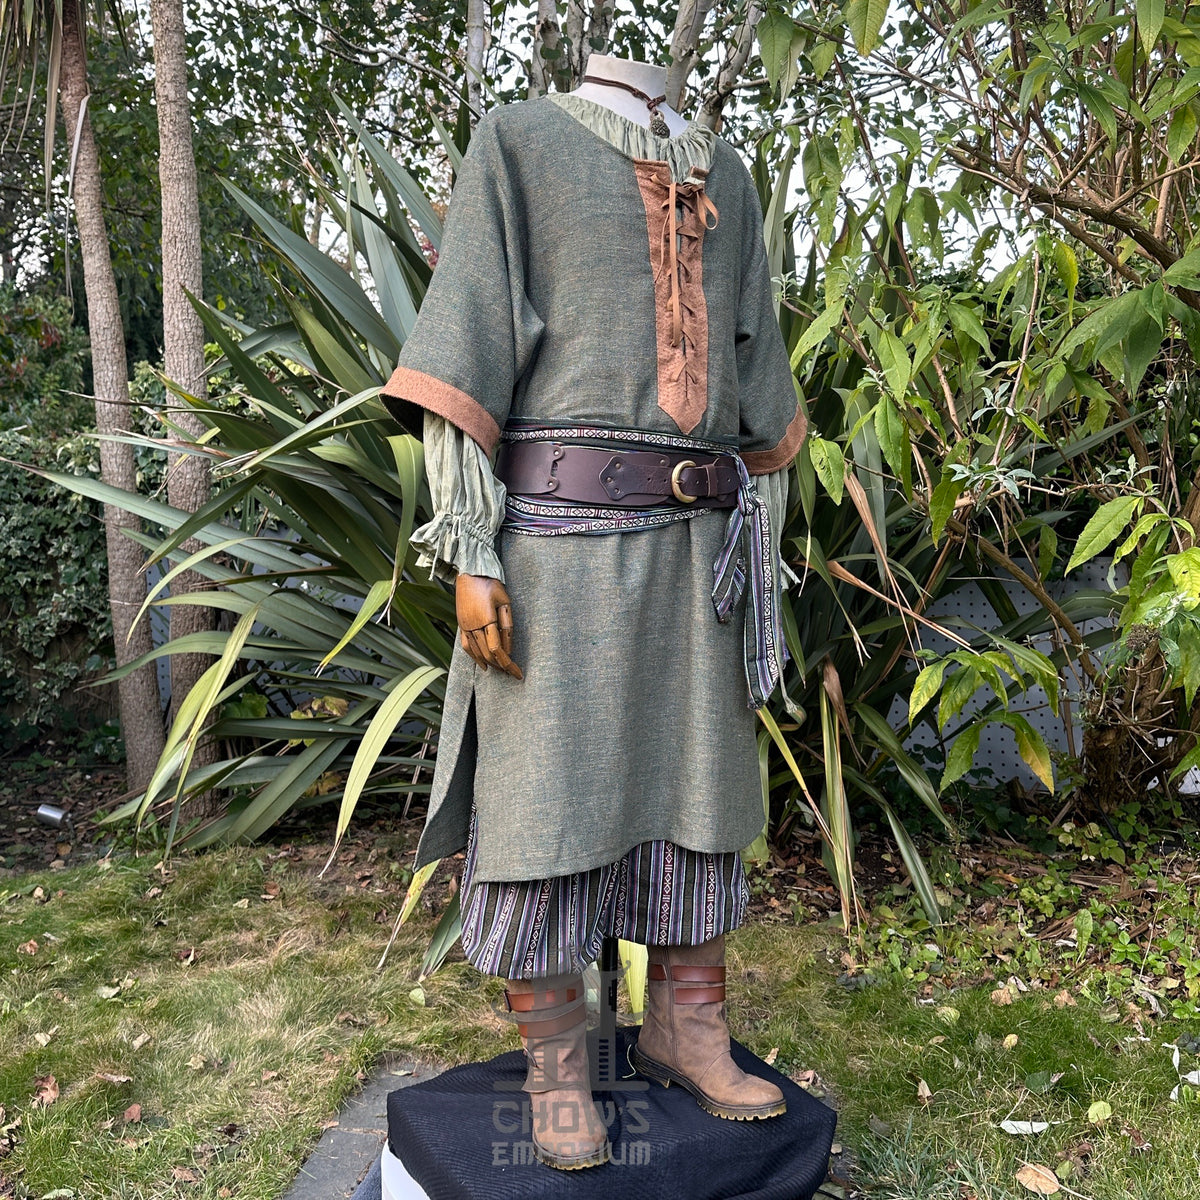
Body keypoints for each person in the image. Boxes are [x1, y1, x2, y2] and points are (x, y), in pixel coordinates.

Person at [380, 55, 806, 1171]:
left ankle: (685, 1025)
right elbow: (464, 340)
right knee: (543, 804)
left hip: (700, 556)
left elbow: (759, 383)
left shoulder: (729, 175)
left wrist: (758, 553)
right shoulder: (517, 142)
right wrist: (470, 548)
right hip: (555, 553)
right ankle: (559, 1062)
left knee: (699, 789)